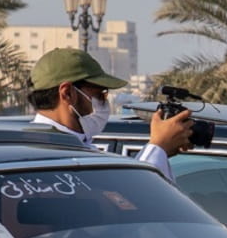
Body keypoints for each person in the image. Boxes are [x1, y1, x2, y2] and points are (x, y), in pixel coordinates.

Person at [26, 48, 193, 181]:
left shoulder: (76, 146)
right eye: (99, 95)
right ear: (68, 93)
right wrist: (158, 146)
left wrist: (161, 151)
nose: (104, 103)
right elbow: (131, 198)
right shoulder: (44, 153)